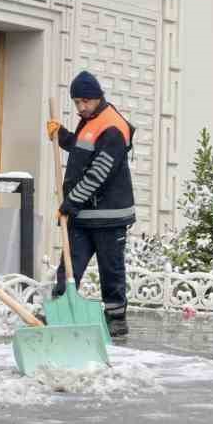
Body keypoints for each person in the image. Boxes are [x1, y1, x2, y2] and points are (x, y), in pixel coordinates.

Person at [45, 70, 135, 339]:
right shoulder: (91, 120)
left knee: (111, 269)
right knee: (70, 264)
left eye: (85, 101)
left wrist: (69, 204)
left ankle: (116, 318)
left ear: (98, 98)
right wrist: (62, 136)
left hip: (109, 216)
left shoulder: (113, 128)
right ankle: (60, 308)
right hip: (83, 214)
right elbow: (83, 150)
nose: (81, 107)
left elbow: (98, 173)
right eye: (77, 102)